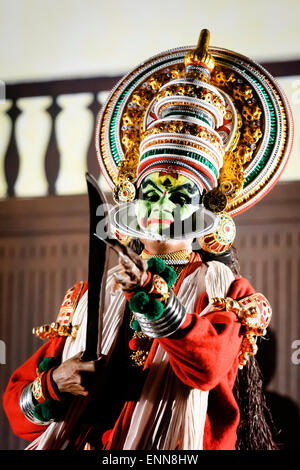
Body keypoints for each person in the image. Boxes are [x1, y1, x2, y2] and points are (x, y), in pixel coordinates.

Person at [3, 29, 293, 451]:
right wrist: (54, 384)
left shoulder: (227, 292)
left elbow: (206, 367)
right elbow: (17, 411)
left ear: (204, 209)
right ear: (132, 200)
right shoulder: (92, 294)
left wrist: (154, 301)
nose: (161, 205)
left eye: (179, 195)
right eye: (151, 192)